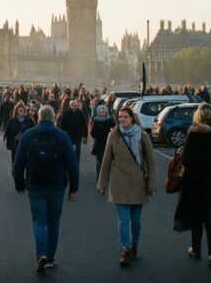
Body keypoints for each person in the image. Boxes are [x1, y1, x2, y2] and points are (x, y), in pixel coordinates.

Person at [13, 105, 79, 274]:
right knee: (54, 221)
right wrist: (74, 187)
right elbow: (72, 164)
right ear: (54, 118)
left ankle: (41, 253)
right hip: (57, 184)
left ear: (38, 118)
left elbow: (18, 162)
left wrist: (19, 184)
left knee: (38, 220)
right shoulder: (62, 136)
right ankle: (50, 257)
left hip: (35, 185)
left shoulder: (28, 135)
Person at [173, 104, 211, 268]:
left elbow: (187, 160)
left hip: (195, 182)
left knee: (196, 218)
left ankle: (196, 249)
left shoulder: (194, 133)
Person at [97, 106, 156, 266]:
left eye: (125, 117)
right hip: (119, 182)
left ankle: (134, 245)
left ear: (132, 118)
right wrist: (102, 183)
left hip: (138, 183)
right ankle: (126, 249)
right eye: (120, 117)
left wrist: (151, 183)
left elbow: (150, 161)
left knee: (135, 220)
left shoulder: (142, 135)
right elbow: (106, 160)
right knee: (123, 219)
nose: (121, 119)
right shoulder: (113, 135)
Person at [57, 99, 89, 164]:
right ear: (70, 105)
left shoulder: (80, 112)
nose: (74, 107)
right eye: (73, 105)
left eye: (75, 105)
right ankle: (69, 163)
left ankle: (76, 164)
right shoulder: (66, 113)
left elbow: (84, 124)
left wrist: (85, 136)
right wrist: (61, 136)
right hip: (69, 135)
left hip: (78, 135)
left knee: (78, 151)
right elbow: (61, 125)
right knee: (69, 151)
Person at [89, 105, 115, 179]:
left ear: (106, 112)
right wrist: (97, 135)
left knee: (108, 161)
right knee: (99, 162)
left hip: (108, 143)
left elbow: (115, 130)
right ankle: (99, 177)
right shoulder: (96, 121)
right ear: (98, 113)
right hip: (99, 144)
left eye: (104, 112)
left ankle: (108, 176)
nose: (102, 114)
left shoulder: (110, 120)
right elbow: (92, 133)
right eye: (101, 112)